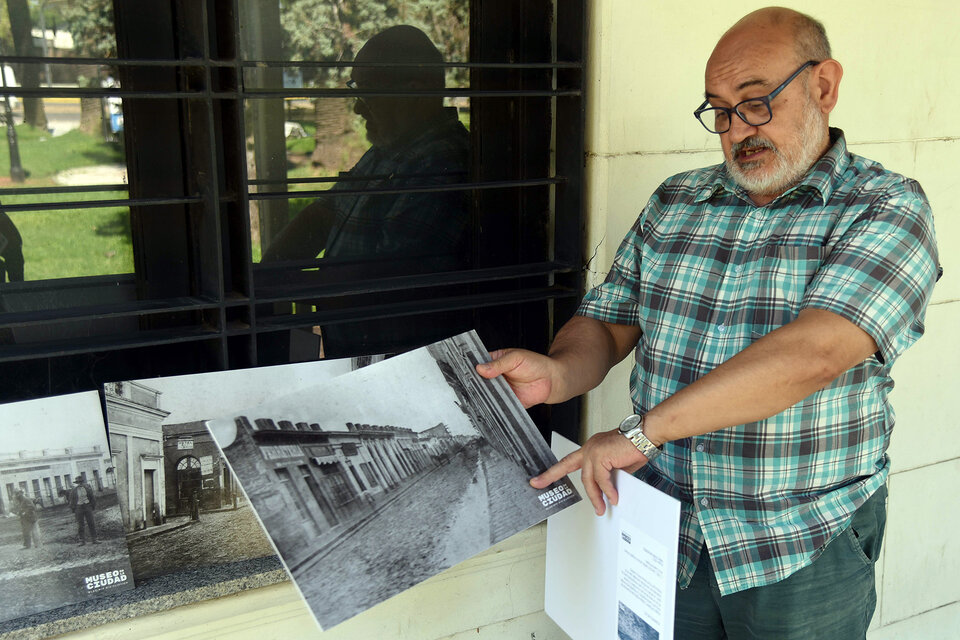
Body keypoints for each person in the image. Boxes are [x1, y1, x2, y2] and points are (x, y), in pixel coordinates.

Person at [477, 7, 940, 639]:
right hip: (667, 532)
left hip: (799, 539)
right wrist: (558, 373)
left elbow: (811, 355)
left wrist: (640, 434)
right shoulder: (677, 199)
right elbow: (609, 323)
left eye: (755, 102)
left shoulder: (885, 207)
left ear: (823, 86)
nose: (735, 130)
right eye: (719, 111)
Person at [261, 25, 471, 357]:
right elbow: (324, 212)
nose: (358, 107)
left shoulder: (443, 161)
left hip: (400, 363)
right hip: (361, 353)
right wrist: (271, 268)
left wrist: (275, 284)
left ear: (413, 91)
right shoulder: (387, 150)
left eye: (366, 90)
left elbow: (385, 280)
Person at [70, 476, 99, 545]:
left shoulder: (88, 488)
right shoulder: (74, 491)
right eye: (78, 482)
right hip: (78, 508)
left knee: (91, 522)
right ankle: (82, 541)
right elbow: (71, 500)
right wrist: (74, 509)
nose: (80, 484)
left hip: (87, 506)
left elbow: (92, 497)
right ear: (76, 483)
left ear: (83, 482)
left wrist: (92, 506)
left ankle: (95, 539)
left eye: (81, 482)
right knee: (80, 525)